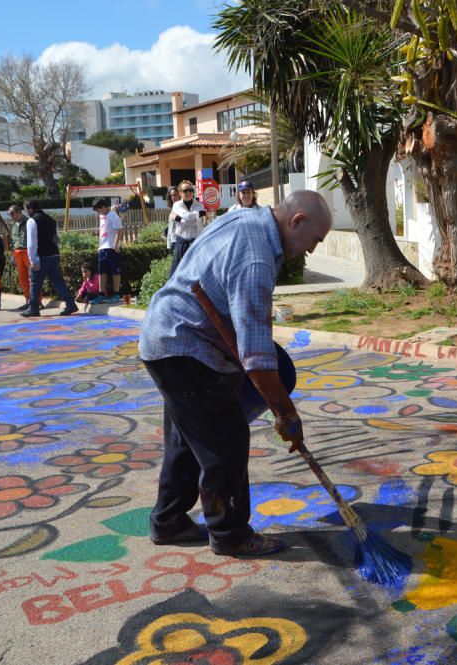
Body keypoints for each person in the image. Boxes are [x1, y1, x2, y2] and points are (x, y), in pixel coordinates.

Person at [138, 190, 332, 555]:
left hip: (167, 336)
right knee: (225, 442)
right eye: (315, 240)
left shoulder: (246, 219)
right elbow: (257, 355)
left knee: (188, 440)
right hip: (185, 345)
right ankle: (229, 534)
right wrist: (286, 413)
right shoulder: (256, 256)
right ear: (298, 221)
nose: (312, 249)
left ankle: (168, 521)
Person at [21, 199, 78, 318]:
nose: (26, 212)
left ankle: (33, 308)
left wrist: (32, 260)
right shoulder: (51, 219)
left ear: (29, 208)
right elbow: (56, 238)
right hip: (54, 255)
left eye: (26, 209)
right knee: (58, 282)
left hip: (41, 256)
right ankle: (70, 304)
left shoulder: (32, 221)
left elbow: (31, 243)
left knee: (35, 283)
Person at [7, 204, 41, 310]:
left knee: (33, 278)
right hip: (17, 253)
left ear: (19, 212)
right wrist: (13, 255)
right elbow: (13, 242)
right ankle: (28, 300)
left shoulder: (29, 222)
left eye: (13, 214)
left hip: (27, 252)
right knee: (22, 279)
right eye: (10, 215)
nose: (11, 217)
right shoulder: (14, 226)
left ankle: (37, 301)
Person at [169, 180, 207, 275]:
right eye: (186, 190)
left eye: (191, 190)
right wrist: (198, 214)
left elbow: (188, 218)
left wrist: (183, 219)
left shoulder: (199, 205)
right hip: (182, 244)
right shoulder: (177, 205)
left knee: (197, 274)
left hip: (196, 243)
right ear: (180, 193)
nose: (189, 193)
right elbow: (188, 217)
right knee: (178, 274)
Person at [90, 197, 124, 304]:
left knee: (115, 272)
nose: (98, 212)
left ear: (104, 207)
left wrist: (116, 245)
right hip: (102, 248)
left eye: (98, 210)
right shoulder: (102, 215)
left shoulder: (113, 216)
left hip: (111, 248)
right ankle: (101, 294)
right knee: (102, 272)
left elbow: (120, 230)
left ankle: (116, 294)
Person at [164, 186, 180, 251]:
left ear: (179, 195)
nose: (173, 197)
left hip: (178, 241)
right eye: (171, 196)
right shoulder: (173, 208)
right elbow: (171, 227)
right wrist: (168, 244)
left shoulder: (182, 207)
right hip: (173, 241)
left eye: (175, 195)